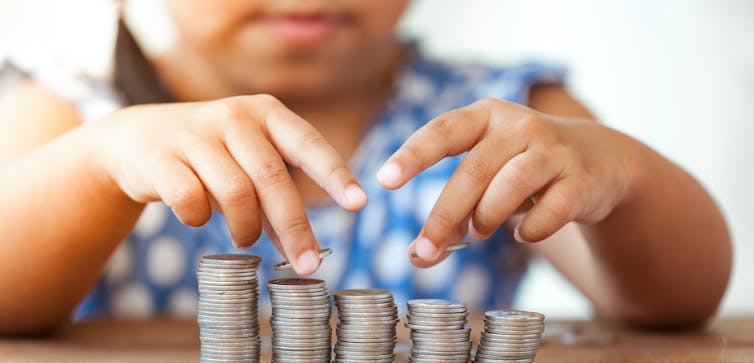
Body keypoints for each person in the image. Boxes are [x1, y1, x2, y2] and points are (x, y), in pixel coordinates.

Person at [0, 0, 732, 334]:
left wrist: (625, 178)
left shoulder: (505, 117)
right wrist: (99, 163)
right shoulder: (79, 119)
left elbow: (671, 301)